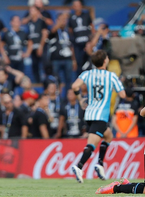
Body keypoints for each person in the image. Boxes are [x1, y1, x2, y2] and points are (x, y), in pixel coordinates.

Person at [71, 50, 126, 183]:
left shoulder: (87, 74)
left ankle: (100, 164)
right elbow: (123, 94)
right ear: (105, 61)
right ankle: (79, 166)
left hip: (89, 113)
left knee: (108, 136)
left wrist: (80, 99)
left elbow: (75, 86)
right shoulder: (111, 76)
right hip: (101, 115)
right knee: (91, 144)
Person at [49, 13, 76, 94]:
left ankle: (68, 97)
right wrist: (59, 22)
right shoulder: (54, 30)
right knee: (56, 79)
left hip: (68, 59)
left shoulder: (68, 31)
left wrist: (74, 60)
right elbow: (51, 32)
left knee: (68, 79)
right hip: (56, 59)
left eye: (64, 20)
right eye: (61, 19)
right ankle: (57, 97)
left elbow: (71, 46)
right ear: (57, 21)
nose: (63, 21)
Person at [68, 0, 94, 75]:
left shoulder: (86, 15)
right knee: (79, 63)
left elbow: (92, 27)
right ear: (73, 7)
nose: (77, 7)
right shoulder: (71, 18)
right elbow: (70, 31)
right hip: (77, 45)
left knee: (89, 61)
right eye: (75, 5)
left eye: (78, 5)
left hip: (87, 43)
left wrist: (91, 40)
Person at [27, 6, 48, 83]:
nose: (31, 12)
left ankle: (46, 82)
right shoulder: (29, 23)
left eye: (33, 10)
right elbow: (29, 37)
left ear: (37, 11)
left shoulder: (41, 21)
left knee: (44, 65)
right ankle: (37, 82)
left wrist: (41, 46)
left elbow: (45, 34)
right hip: (33, 48)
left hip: (41, 47)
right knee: (34, 66)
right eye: (30, 10)